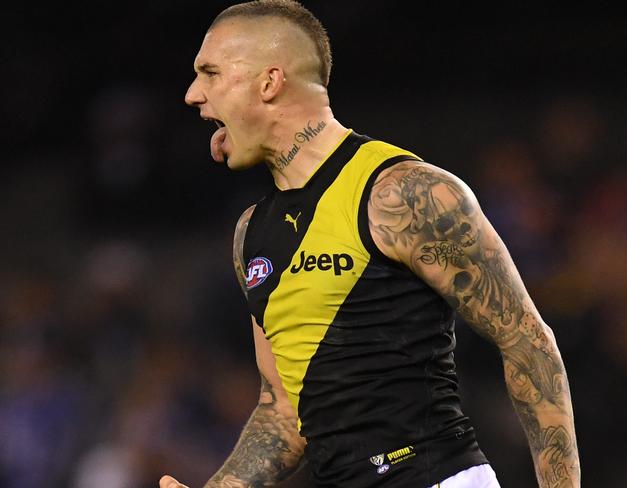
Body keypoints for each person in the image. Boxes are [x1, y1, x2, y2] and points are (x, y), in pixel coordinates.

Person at [161, 1, 581, 487]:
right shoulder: (252, 234)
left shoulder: (403, 192)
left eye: (209, 72)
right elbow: (283, 410)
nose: (193, 94)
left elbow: (527, 341)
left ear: (269, 82)